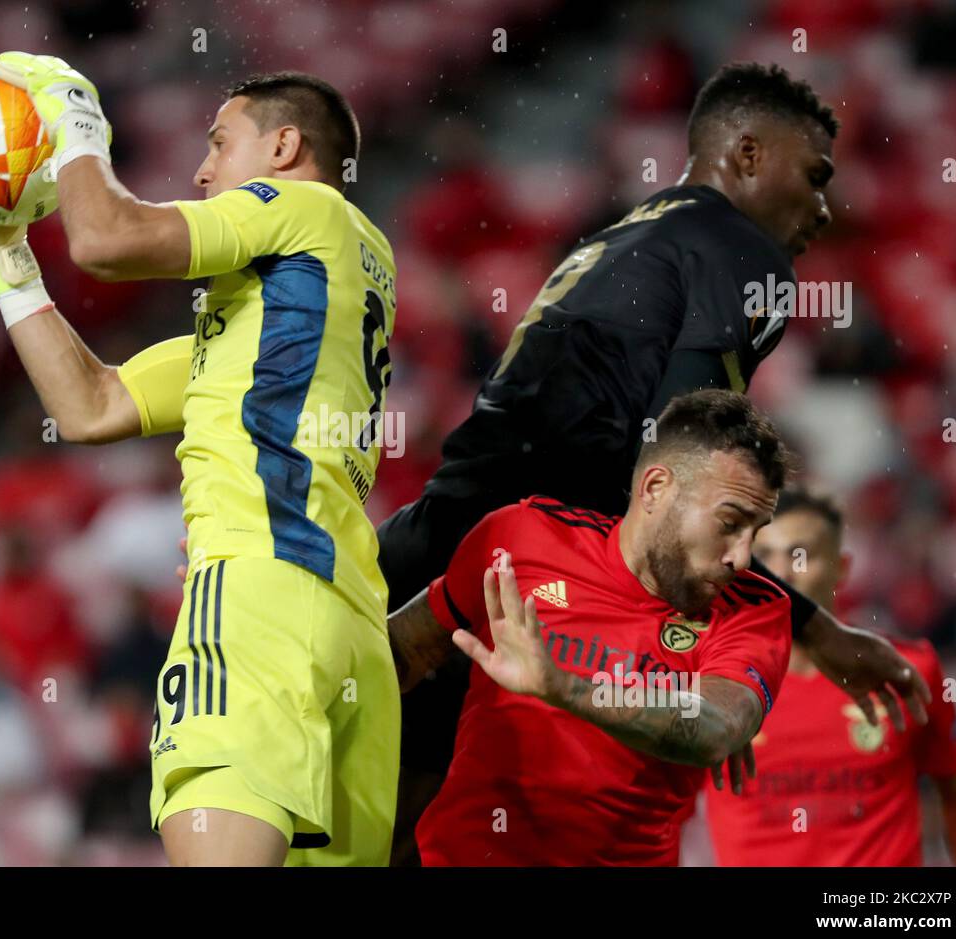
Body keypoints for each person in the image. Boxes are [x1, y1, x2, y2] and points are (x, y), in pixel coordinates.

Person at [375, 62, 928, 861]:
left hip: (441, 546)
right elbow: (681, 471)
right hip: (513, 582)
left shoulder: (629, 234)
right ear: (745, 154)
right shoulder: (743, 253)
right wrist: (805, 632)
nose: (823, 207)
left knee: (389, 827)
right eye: (813, 177)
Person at [0, 55, 400, 866]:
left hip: (253, 598)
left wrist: (73, 116)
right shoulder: (285, 317)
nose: (203, 169)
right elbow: (92, 406)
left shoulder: (305, 207)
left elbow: (106, 240)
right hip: (349, 630)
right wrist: (4, 258)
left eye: (220, 144)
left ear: (283, 149)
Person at [388, 389, 791, 865]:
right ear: (656, 488)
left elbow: (716, 727)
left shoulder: (756, 609)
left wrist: (566, 688)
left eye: (756, 531)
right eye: (730, 522)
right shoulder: (519, 538)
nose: (742, 557)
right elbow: (401, 653)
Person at [703, 488, 956, 866]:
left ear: (841, 568)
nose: (781, 572)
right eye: (763, 558)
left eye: (801, 554)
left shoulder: (904, 669)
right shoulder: (714, 684)